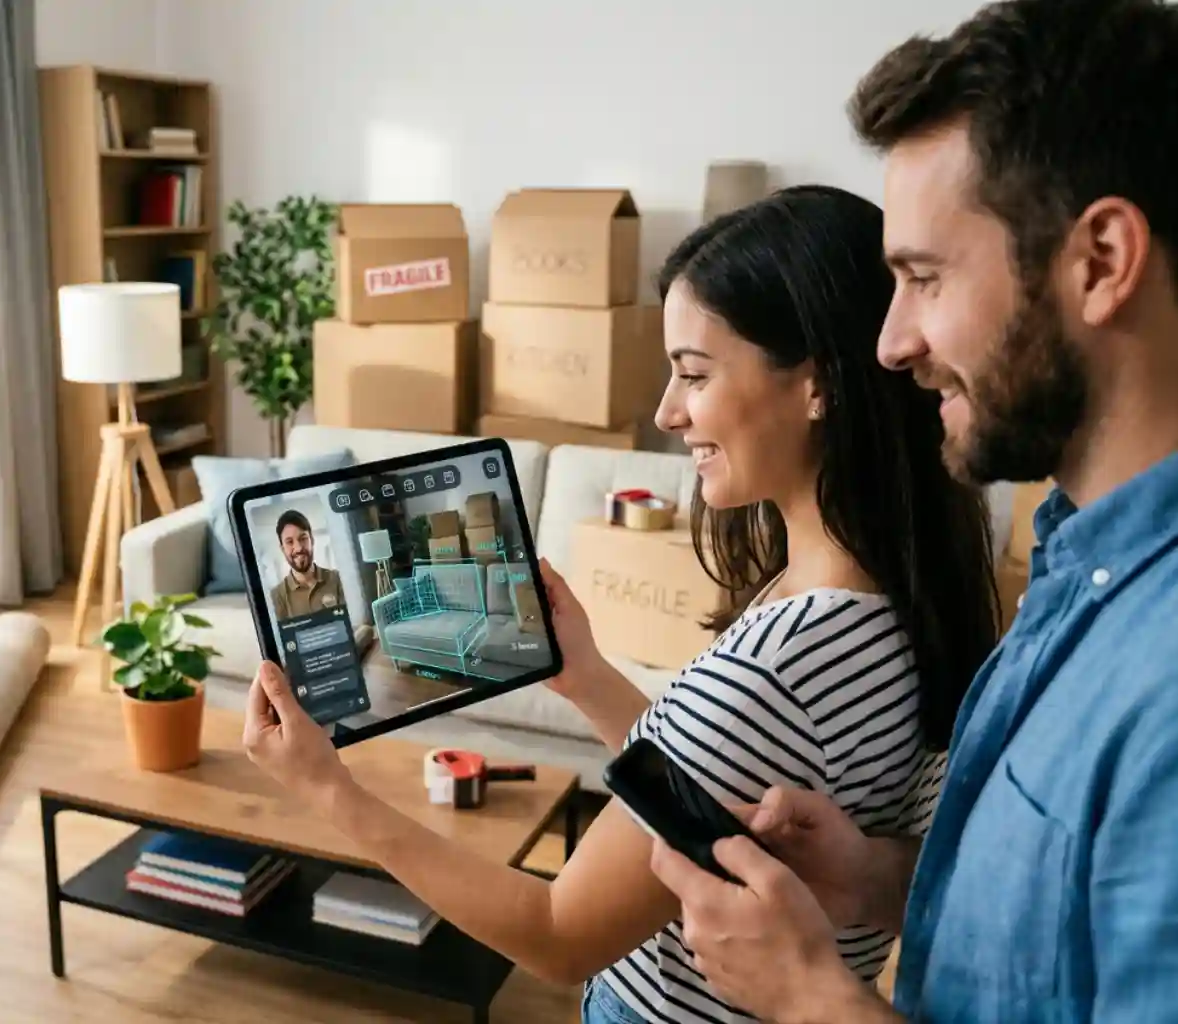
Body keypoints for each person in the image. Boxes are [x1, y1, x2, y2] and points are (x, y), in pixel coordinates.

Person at [241, 185, 1002, 1023]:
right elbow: (713, 787)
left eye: (694, 374)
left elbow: (559, 933)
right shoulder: (882, 599)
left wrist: (330, 793)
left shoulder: (778, 662)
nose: (667, 413)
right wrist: (589, 678)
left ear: (816, 385)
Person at [644, 1, 1178, 1021]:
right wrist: (881, 878)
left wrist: (808, 996)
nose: (890, 344)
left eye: (925, 278)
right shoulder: (1077, 564)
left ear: (1101, 260)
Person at [268, 509, 345, 620]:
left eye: (303, 538)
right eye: (290, 542)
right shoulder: (276, 596)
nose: (298, 548)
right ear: (282, 549)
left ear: (312, 540)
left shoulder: (338, 579)